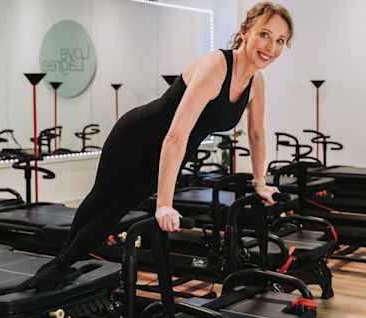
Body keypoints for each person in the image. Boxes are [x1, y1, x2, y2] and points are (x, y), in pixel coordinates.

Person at [20, 1, 294, 291]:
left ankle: (59, 266)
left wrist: (260, 182)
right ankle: (60, 265)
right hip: (137, 135)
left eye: (280, 41)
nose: (271, 47)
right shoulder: (216, 66)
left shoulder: (256, 83)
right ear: (245, 32)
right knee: (101, 198)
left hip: (172, 150)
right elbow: (175, 135)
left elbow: (256, 134)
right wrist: (164, 204)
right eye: (265, 35)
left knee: (118, 208)